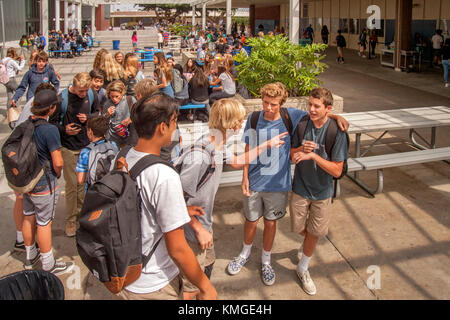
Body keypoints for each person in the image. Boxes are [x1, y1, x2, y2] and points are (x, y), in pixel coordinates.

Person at [226, 82, 349, 286]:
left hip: (278, 184)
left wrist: (337, 117)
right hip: (255, 180)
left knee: (271, 223)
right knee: (251, 220)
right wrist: (244, 176)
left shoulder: (290, 116)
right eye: (265, 102)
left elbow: (318, 114)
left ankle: (266, 260)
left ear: (282, 104)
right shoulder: (254, 119)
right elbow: (248, 147)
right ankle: (244, 254)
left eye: (274, 104)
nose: (268, 108)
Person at [178, 98, 288, 300]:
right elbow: (175, 202)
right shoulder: (199, 157)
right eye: (239, 120)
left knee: (206, 271)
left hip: (204, 225)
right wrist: (198, 229)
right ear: (229, 123)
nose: (242, 124)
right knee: (191, 286)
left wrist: (266, 145)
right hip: (191, 230)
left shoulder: (217, 143)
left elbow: (237, 161)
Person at [115, 93, 217, 300]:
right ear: (162, 127)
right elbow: (178, 248)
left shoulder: (122, 156)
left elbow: (135, 205)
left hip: (125, 271)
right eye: (174, 121)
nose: (175, 126)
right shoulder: (164, 175)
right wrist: (205, 287)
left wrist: (180, 209)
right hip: (154, 282)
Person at [289, 87, 348, 295]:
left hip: (323, 191)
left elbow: (337, 169)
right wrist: (300, 151)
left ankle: (303, 267)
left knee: (315, 232)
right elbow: (291, 155)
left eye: (316, 106)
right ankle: (307, 245)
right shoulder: (303, 123)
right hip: (300, 187)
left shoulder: (337, 131)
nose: (311, 109)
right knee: (297, 227)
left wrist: (313, 156)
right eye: (310, 105)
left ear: (328, 108)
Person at [21, 88, 74, 275]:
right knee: (44, 222)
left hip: (26, 181)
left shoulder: (26, 124)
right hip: (44, 182)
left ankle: (30, 255)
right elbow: (58, 161)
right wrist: (57, 173)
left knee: (28, 216)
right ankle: (48, 262)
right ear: (51, 109)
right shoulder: (49, 130)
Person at [48, 72, 100, 237]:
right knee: (72, 186)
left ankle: (83, 216)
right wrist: (65, 130)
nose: (83, 94)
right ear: (74, 86)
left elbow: (97, 112)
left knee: (84, 184)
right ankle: (71, 220)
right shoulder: (61, 99)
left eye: (85, 91)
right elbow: (52, 123)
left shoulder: (92, 94)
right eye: (80, 91)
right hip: (68, 147)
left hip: (86, 146)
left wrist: (88, 118)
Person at [76, 116, 118, 191]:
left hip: (94, 192)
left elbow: (80, 180)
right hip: (111, 190)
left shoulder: (86, 151)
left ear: (90, 132)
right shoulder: (113, 145)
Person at [103, 80, 135, 148]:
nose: (114, 99)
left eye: (117, 96)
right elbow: (102, 121)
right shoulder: (107, 104)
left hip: (128, 138)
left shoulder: (130, 100)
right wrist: (107, 115)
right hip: (112, 139)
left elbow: (139, 114)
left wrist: (130, 119)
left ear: (122, 93)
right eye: (112, 96)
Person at [2, 48, 26, 128]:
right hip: (11, 79)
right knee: (20, 91)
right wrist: (22, 61)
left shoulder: (4, 60)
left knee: (9, 96)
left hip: (5, 80)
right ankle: (15, 107)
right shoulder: (11, 61)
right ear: (13, 53)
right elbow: (19, 68)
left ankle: (9, 112)